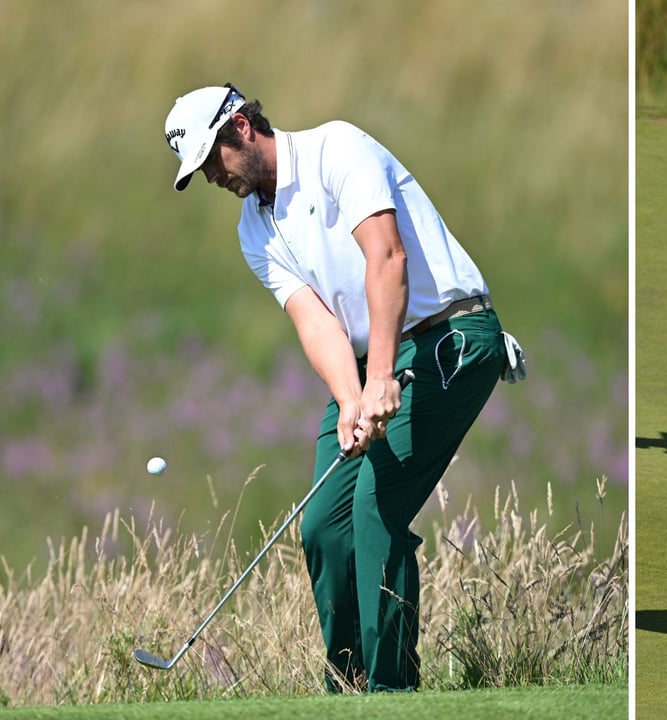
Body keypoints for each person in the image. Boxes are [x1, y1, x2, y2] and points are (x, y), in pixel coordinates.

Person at [163, 84, 525, 692]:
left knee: (375, 509)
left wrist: (380, 376)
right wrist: (351, 396)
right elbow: (315, 320)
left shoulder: (336, 148)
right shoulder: (255, 230)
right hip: (372, 361)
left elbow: (386, 258)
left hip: (451, 338)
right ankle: (348, 691)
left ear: (243, 127)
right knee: (324, 529)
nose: (211, 179)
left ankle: (390, 694)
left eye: (212, 160)